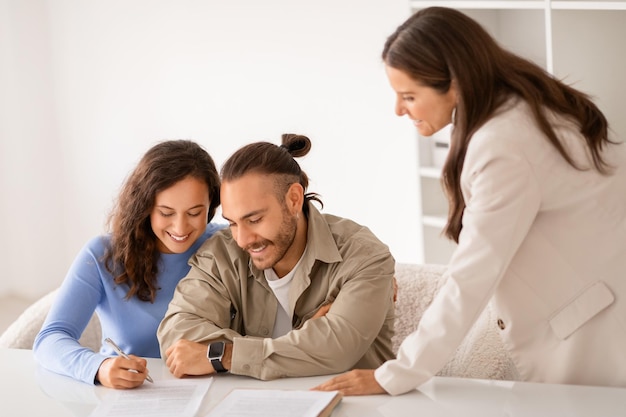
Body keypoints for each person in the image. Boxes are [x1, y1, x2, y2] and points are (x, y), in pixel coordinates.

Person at [314, 6, 626, 396]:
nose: (398, 109)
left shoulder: (503, 144)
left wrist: (393, 374)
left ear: (455, 84)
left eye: (409, 95)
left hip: (597, 335)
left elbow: (472, 277)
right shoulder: (521, 110)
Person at [157, 133, 396, 380]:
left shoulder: (362, 256)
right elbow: (177, 333)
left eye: (254, 219)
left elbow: (338, 349)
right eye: (233, 223)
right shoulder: (222, 253)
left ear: (294, 199)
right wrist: (301, 344)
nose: (243, 239)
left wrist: (225, 355)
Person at [34, 140, 223, 389]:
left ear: (211, 206)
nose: (180, 227)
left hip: (212, 393)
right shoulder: (102, 255)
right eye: (166, 213)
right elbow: (49, 339)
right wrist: (99, 367)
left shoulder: (225, 246)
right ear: (145, 206)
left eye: (195, 212)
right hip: (128, 396)